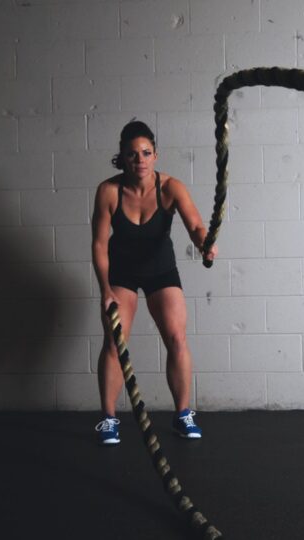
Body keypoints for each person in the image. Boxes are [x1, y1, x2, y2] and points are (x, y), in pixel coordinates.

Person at [91, 120, 217, 445]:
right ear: (123, 157)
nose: (140, 160)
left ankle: (183, 414)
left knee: (177, 337)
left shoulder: (171, 187)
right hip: (122, 273)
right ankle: (108, 419)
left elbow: (195, 226)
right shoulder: (108, 191)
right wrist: (105, 290)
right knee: (114, 342)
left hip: (161, 271)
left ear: (156, 155)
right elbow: (100, 244)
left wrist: (205, 242)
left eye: (146, 153)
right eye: (132, 154)